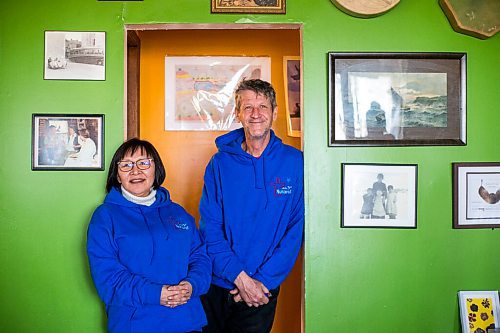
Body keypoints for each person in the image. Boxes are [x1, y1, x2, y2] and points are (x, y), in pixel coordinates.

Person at [199, 79, 304, 333]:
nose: (255, 114)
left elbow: (295, 230)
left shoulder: (295, 162)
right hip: (215, 283)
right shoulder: (219, 164)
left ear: (274, 112)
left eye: (262, 106)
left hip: (262, 289)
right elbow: (209, 228)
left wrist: (260, 282)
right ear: (238, 114)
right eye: (247, 107)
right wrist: (239, 277)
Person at [87, 138, 211, 333]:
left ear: (156, 169)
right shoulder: (105, 217)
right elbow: (108, 278)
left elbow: (200, 257)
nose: (135, 171)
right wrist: (156, 294)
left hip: (187, 321)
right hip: (134, 325)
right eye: (126, 165)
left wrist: (191, 285)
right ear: (117, 176)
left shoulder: (178, 213)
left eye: (144, 163)